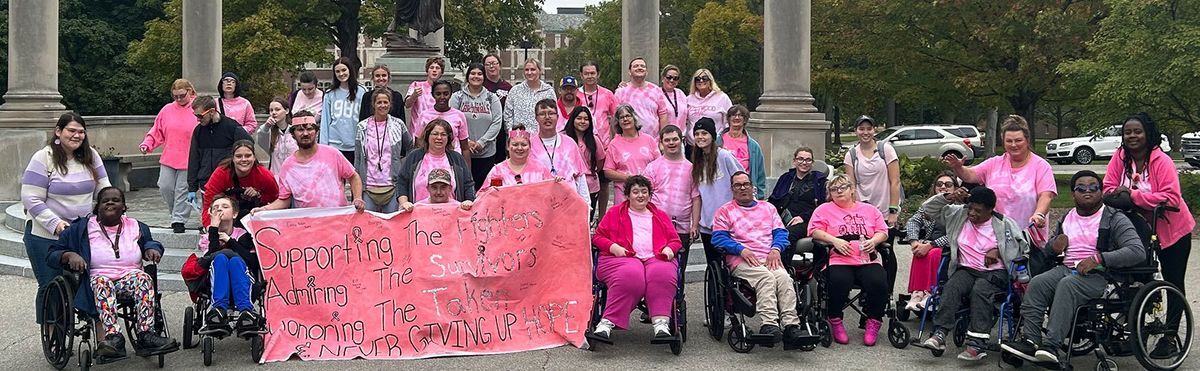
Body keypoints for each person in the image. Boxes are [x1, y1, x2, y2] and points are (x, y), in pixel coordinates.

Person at [1002, 171, 1147, 365]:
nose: (1087, 192)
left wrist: (1099, 259)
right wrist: (1054, 246)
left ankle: (1051, 345)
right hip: (1068, 269)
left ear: (1101, 192)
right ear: (1073, 193)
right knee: (1038, 283)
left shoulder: (1114, 218)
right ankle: (1031, 340)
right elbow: (1049, 252)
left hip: (1101, 276)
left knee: (1067, 284)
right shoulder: (1067, 217)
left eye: (1093, 188)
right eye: (1081, 188)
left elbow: (1137, 251)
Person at [47, 187, 178, 359]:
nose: (110, 202)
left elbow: (151, 242)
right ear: (97, 207)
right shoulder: (81, 228)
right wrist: (69, 255)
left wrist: (151, 249)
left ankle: (146, 335)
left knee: (143, 279)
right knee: (103, 282)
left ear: (123, 206)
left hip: (130, 277)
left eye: (115, 200)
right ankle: (114, 337)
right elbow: (52, 254)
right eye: (105, 201)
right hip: (97, 279)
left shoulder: (137, 226)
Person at [1101, 112, 1193, 356]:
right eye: (1128, 132)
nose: (1132, 136)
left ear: (1148, 134)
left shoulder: (1161, 161)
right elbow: (1108, 189)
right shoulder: (1120, 158)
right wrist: (1123, 196)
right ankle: (1136, 334)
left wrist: (1132, 196)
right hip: (1138, 231)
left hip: (1173, 230)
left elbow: (1171, 198)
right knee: (1138, 280)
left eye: (1137, 131)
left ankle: (1170, 337)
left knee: (1173, 281)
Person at [918, 186, 1029, 361]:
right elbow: (927, 209)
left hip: (995, 273)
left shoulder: (1004, 223)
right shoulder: (959, 215)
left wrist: (998, 251)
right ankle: (939, 334)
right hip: (967, 269)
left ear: (991, 210)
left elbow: (1022, 248)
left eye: (978, 210)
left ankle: (977, 343)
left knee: (980, 290)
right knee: (952, 286)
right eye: (970, 207)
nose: (972, 213)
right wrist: (949, 196)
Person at [22, 112, 111, 327]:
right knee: (50, 284)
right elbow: (30, 197)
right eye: (71, 130)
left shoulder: (91, 156)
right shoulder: (43, 158)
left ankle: (102, 333)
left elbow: (104, 188)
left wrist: (112, 210)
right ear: (58, 132)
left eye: (81, 131)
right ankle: (53, 330)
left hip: (81, 231)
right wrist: (56, 224)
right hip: (45, 234)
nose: (77, 135)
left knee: (94, 279)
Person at [713, 171, 804, 345]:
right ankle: (769, 324)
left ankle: (791, 325)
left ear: (752, 187)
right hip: (742, 259)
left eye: (746, 184)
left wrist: (776, 249)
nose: (742, 188)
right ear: (732, 189)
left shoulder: (768, 208)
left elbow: (780, 233)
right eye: (738, 185)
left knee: (785, 278)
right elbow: (718, 238)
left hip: (769, 257)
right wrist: (740, 249)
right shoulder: (725, 211)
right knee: (766, 278)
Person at [591, 175, 683, 341]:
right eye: (635, 192)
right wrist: (614, 248)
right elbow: (598, 237)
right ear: (627, 195)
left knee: (662, 273)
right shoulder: (614, 213)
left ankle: (661, 322)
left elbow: (675, 240)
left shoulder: (660, 215)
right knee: (631, 273)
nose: (640, 195)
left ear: (649, 194)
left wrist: (669, 249)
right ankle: (607, 322)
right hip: (620, 258)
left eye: (644, 191)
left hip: (655, 257)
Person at [808, 174, 890, 346]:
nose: (838, 191)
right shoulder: (823, 210)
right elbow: (814, 231)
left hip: (867, 258)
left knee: (878, 281)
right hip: (838, 259)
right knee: (839, 281)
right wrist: (834, 240)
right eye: (833, 189)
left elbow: (883, 231)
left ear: (852, 190)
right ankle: (835, 319)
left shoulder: (870, 210)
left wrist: (873, 241)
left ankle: (873, 321)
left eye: (842, 187)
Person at [945, 115, 1056, 240]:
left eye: (1018, 140)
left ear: (1027, 140)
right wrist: (958, 168)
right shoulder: (994, 163)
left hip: (1028, 237)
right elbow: (970, 176)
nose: (1014, 145)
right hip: (996, 237)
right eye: (1009, 141)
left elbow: (1046, 196)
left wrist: (1039, 214)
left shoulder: (1041, 166)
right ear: (1003, 142)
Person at [252, 111, 366, 212]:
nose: (305, 133)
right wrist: (264, 209)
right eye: (300, 130)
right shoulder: (288, 166)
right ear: (293, 134)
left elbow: (353, 176)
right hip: (307, 226)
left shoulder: (333, 153)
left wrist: (357, 198)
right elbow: (284, 200)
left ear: (316, 132)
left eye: (309, 129)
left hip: (337, 221)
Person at [843, 115, 903, 293]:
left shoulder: (886, 150)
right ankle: (868, 290)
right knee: (866, 252)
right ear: (856, 131)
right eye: (861, 129)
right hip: (863, 212)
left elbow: (895, 181)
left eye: (869, 128)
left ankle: (887, 291)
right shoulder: (851, 154)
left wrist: (893, 211)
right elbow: (851, 186)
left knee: (886, 250)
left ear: (874, 130)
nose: (865, 132)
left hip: (884, 208)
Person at [196, 195, 262, 337]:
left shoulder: (243, 235)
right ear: (210, 213)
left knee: (235, 260)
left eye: (225, 207)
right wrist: (213, 229)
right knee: (220, 258)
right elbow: (211, 256)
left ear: (235, 214)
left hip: (242, 279)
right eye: (216, 208)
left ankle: (246, 311)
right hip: (216, 280)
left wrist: (229, 241)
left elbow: (252, 261)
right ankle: (218, 309)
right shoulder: (207, 237)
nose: (220, 209)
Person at [140, 78, 199, 233]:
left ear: (190, 91)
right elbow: (157, 130)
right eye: (175, 96)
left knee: (182, 190)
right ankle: (175, 214)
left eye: (181, 95)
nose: (178, 99)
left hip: (190, 158)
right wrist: (147, 143)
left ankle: (178, 220)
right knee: (165, 186)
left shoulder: (198, 108)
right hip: (170, 156)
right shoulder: (167, 109)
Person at [188, 96, 255, 225]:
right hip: (206, 181)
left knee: (228, 218)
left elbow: (248, 146)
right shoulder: (198, 131)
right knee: (209, 217)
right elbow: (193, 159)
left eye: (200, 116)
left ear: (212, 111)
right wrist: (192, 186)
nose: (198, 119)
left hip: (227, 181)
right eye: (195, 115)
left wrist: (234, 165)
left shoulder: (231, 127)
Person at [692, 117, 745, 267]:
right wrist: (696, 224)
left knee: (729, 265)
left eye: (704, 133)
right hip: (707, 224)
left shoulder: (724, 156)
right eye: (697, 133)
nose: (700, 137)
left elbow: (741, 179)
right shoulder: (697, 161)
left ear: (712, 136)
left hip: (728, 223)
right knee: (713, 265)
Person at [901, 172, 959, 310]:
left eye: (948, 184)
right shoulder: (929, 206)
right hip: (929, 243)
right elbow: (913, 221)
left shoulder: (960, 208)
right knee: (918, 250)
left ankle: (931, 292)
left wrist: (931, 245)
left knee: (932, 253)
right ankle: (917, 293)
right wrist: (914, 241)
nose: (943, 187)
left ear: (955, 189)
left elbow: (955, 234)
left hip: (950, 245)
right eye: (939, 184)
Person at [395, 119, 476, 212]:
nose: (439, 137)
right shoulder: (414, 157)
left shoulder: (457, 158)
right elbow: (402, 182)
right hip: (419, 214)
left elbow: (468, 184)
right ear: (427, 136)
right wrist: (404, 203)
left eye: (443, 134)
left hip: (451, 216)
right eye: (435, 134)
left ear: (449, 138)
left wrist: (469, 201)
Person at [642, 125, 700, 249]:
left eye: (675, 139)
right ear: (661, 143)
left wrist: (694, 225)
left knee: (680, 266)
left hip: (682, 228)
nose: (671, 143)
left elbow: (696, 198)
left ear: (682, 141)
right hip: (657, 225)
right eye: (667, 140)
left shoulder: (692, 169)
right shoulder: (652, 167)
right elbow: (644, 198)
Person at [356, 89, 413, 213]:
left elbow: (410, 145)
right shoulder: (362, 127)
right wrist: (358, 190)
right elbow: (358, 157)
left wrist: (404, 166)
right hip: (369, 186)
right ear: (373, 104)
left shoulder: (398, 124)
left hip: (392, 185)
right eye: (379, 102)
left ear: (390, 104)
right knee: (369, 227)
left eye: (386, 102)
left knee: (392, 227)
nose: (383, 105)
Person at [201, 140, 278, 228]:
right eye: (238, 156)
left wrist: (258, 195)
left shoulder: (264, 175)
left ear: (254, 158)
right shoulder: (221, 173)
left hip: (255, 216)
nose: (244, 159)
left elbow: (275, 200)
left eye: (248, 156)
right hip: (229, 217)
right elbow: (209, 202)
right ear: (233, 158)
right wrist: (209, 227)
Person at [450, 63, 504, 187]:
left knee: (483, 188)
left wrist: (482, 142)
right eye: (473, 73)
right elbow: (452, 121)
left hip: (486, 153)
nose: (476, 76)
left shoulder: (492, 98)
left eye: (479, 74)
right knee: (464, 188)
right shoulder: (457, 97)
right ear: (467, 76)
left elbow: (497, 122)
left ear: (484, 77)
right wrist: (466, 142)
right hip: (462, 152)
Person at [526, 99, 591, 201]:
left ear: (557, 117)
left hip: (569, 202)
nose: (547, 117)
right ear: (536, 118)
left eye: (551, 113)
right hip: (540, 202)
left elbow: (580, 178)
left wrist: (586, 203)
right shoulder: (529, 146)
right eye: (542, 114)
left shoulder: (570, 143)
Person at [767, 146, 828, 256]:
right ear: (794, 161)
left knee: (787, 234)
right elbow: (773, 201)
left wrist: (803, 218)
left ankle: (784, 267)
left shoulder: (820, 182)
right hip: (781, 218)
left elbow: (824, 207)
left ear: (812, 163)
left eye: (808, 160)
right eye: (800, 159)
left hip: (808, 221)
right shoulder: (785, 178)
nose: (804, 163)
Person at [604, 104, 661, 204]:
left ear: (634, 117)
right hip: (624, 194)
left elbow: (659, 164)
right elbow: (607, 171)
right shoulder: (614, 144)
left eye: (628, 116)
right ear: (618, 122)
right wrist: (628, 178)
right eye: (621, 117)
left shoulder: (649, 140)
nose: (625, 119)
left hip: (647, 193)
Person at [563, 106, 608, 221]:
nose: (582, 122)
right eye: (579, 118)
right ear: (572, 119)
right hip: (568, 185)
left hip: (590, 186)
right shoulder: (563, 138)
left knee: (586, 220)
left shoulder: (594, 140)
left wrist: (591, 171)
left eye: (586, 119)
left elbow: (600, 160)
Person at [320, 57, 368, 163]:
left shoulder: (362, 91)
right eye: (337, 71)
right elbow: (325, 121)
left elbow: (366, 120)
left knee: (355, 177)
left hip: (355, 144)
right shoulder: (330, 94)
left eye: (344, 70)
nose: (341, 74)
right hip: (335, 144)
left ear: (350, 70)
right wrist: (323, 146)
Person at [481, 125, 552, 190]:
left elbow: (552, 190)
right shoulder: (498, 171)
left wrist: (558, 182)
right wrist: (490, 191)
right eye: (515, 144)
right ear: (508, 147)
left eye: (524, 145)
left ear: (530, 147)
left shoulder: (540, 168)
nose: (519, 148)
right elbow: (484, 196)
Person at [716, 105, 767, 199]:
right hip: (722, 191)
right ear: (728, 118)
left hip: (744, 191)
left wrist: (760, 196)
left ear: (745, 120)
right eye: (733, 115)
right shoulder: (717, 141)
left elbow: (760, 174)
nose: (736, 117)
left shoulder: (754, 146)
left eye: (740, 115)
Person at [614, 57, 669, 139]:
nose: (639, 68)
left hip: (653, 140)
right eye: (636, 66)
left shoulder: (656, 90)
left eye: (642, 66)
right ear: (629, 72)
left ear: (646, 72)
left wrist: (663, 138)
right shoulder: (621, 92)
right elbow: (615, 117)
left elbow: (663, 115)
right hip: (628, 140)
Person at [414, 80, 470, 157]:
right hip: (429, 160)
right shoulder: (424, 115)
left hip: (453, 160)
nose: (442, 97)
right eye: (438, 94)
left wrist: (466, 168)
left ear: (451, 94)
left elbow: (465, 147)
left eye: (446, 94)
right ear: (433, 95)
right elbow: (418, 144)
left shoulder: (459, 115)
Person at [503, 59, 557, 134]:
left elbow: (553, 113)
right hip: (520, 138)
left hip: (542, 136)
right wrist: (511, 132)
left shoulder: (548, 91)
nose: (529, 72)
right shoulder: (515, 90)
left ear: (540, 71)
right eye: (526, 70)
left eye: (533, 69)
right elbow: (507, 115)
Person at [685, 68, 732, 143]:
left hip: (715, 144)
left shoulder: (722, 97)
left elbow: (729, 121)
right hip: (693, 145)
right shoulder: (688, 99)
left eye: (704, 78)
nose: (701, 81)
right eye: (698, 79)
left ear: (710, 81)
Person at [483, 53, 513, 166]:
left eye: (494, 63)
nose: (491, 66)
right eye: (488, 64)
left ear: (499, 66)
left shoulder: (508, 88)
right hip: (486, 131)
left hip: (502, 133)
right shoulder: (481, 87)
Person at [579, 61, 619, 144]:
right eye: (586, 73)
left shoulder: (607, 94)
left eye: (592, 73)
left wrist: (615, 139)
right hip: (581, 144)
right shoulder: (576, 95)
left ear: (598, 74)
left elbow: (616, 118)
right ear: (581, 75)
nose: (589, 76)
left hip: (604, 144)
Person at [256, 97, 299, 172]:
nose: (274, 112)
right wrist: (266, 126)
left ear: (286, 111)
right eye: (271, 110)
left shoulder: (295, 130)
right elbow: (260, 139)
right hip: (277, 176)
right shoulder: (269, 132)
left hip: (295, 175)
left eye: (277, 109)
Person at [404, 56, 444, 123]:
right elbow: (407, 105)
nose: (434, 70)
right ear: (427, 71)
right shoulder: (416, 85)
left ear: (441, 72)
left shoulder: (443, 90)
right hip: (417, 128)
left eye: (437, 68)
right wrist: (414, 96)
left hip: (436, 128)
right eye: (431, 68)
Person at [659, 65, 689, 133]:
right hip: (666, 136)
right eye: (669, 77)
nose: (672, 80)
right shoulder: (657, 93)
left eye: (675, 78)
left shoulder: (680, 93)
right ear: (663, 78)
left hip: (681, 136)